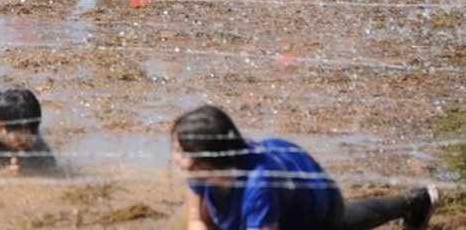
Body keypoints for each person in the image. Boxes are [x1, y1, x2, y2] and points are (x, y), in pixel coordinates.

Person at [170, 104, 439, 230]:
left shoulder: (258, 186)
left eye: (180, 152)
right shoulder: (205, 168)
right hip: (286, 168)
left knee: (342, 223)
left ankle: (412, 202)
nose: (174, 158)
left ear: (207, 157)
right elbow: (196, 219)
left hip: (316, 201)